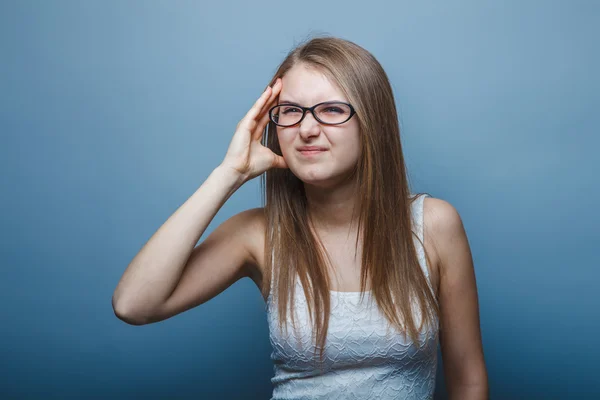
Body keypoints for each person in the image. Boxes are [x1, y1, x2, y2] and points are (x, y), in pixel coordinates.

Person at [112, 36, 488, 399]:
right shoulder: (257, 234)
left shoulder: (434, 225)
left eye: (332, 109)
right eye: (291, 111)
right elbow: (134, 305)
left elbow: (469, 381)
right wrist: (229, 173)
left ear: (373, 122)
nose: (307, 129)